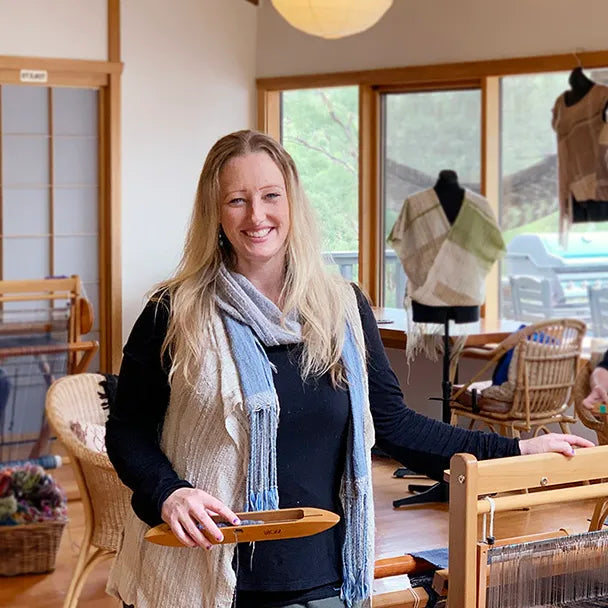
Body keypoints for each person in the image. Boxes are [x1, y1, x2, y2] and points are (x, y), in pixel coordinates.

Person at [105, 130, 593, 608]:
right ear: (214, 211)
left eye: (270, 195)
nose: (257, 216)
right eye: (237, 200)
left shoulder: (341, 307)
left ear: (292, 202)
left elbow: (393, 425)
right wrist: (170, 493)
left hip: (328, 572)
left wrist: (516, 448)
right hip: (208, 574)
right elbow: (127, 431)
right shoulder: (174, 311)